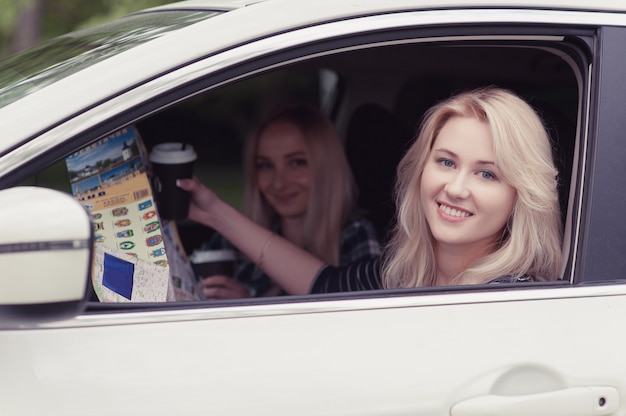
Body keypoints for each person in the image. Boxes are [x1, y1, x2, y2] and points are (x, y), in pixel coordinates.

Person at [179, 87, 563, 295]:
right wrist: (213, 211)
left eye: (487, 175)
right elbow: (320, 283)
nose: (456, 187)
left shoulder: (512, 301)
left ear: (521, 196)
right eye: (446, 162)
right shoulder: (404, 274)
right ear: (421, 170)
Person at [193, 103, 381, 298]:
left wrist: (248, 307)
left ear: (326, 167)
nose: (279, 183)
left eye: (296, 163)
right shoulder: (235, 240)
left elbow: (366, 319)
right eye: (265, 166)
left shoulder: (356, 236)